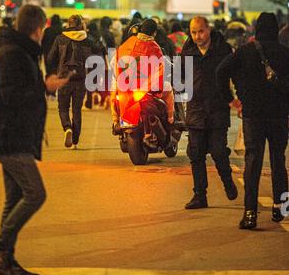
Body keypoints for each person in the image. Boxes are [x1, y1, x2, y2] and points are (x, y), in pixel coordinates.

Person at [0, 4, 68, 275]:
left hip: (13, 136)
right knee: (35, 194)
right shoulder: (14, 54)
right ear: (39, 28)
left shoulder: (19, 50)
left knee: (14, 198)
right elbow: (11, 96)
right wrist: (44, 87)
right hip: (9, 137)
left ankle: (5, 261)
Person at [216, 12, 289, 229]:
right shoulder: (285, 53)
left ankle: (250, 213)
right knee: (278, 160)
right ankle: (281, 207)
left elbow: (221, 71)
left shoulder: (245, 51)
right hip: (279, 115)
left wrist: (232, 100)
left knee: (253, 161)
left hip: (253, 114)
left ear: (257, 29)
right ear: (276, 29)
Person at [180, 16, 238, 209]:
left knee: (219, 152)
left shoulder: (223, 50)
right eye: (194, 32)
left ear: (209, 29)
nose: (197, 36)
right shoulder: (187, 51)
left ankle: (227, 181)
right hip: (196, 109)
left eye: (201, 31)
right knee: (195, 155)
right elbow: (180, 78)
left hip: (217, 108)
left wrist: (238, 99)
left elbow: (234, 75)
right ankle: (199, 195)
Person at [111, 18, 174, 129]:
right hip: (148, 89)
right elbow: (162, 68)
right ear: (154, 32)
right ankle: (170, 119)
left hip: (127, 88)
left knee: (114, 89)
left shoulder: (126, 45)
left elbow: (114, 64)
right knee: (168, 87)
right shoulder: (155, 47)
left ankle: (116, 121)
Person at [48, 14, 100, 149]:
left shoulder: (60, 38)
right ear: (81, 24)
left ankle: (67, 128)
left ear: (68, 24)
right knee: (77, 110)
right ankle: (75, 140)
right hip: (81, 78)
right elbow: (96, 58)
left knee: (63, 108)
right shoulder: (88, 40)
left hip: (64, 78)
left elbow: (50, 58)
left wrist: (55, 71)